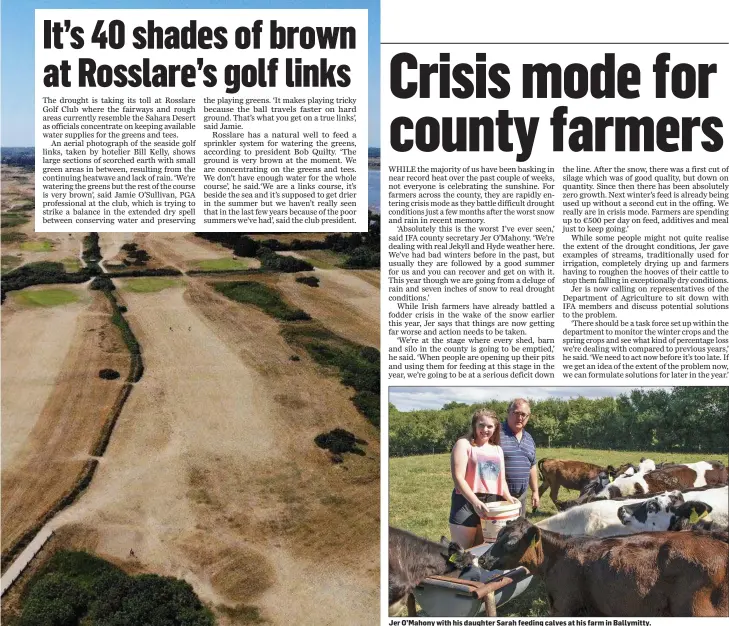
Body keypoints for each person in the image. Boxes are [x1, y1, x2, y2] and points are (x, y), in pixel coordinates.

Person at [449, 409, 519, 548]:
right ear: (474, 425)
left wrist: (509, 498)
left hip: (491, 504)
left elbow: (501, 480)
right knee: (462, 552)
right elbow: (458, 477)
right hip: (466, 502)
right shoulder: (464, 444)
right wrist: (475, 502)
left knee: (484, 549)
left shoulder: (497, 449)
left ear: (495, 428)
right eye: (481, 425)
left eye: (490, 426)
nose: (485, 429)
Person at [500, 399, 539, 517]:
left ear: (528, 417)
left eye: (524, 414)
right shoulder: (496, 433)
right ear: (509, 412)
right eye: (516, 413)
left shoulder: (529, 438)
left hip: (521, 497)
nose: (520, 417)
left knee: (517, 532)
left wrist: (535, 491)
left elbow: (532, 466)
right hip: (498, 497)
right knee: (497, 533)